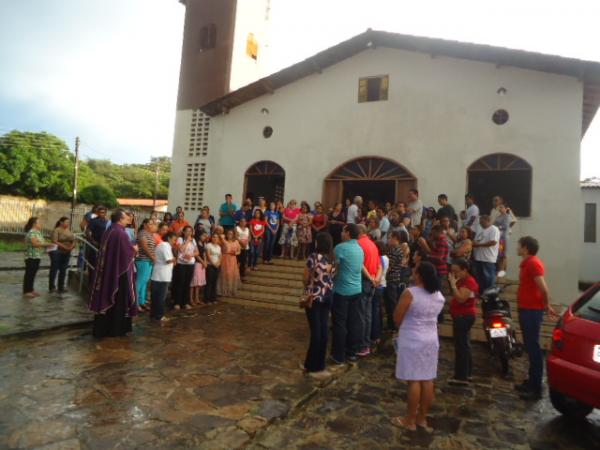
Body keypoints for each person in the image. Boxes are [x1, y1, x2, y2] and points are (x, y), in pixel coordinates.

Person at [391, 262, 445, 431]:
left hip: (413, 337)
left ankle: (409, 420)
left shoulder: (410, 293)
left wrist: (400, 328)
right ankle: (422, 418)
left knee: (414, 380)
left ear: (419, 275)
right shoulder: (439, 295)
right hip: (431, 338)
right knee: (427, 379)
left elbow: (397, 317)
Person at [514, 236, 557, 401]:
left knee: (534, 349)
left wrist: (546, 305)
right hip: (526, 309)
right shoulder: (526, 264)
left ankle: (535, 387)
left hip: (532, 311)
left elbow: (544, 289)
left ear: (525, 248)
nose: (517, 248)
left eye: (519, 245)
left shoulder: (533, 263)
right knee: (530, 347)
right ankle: (531, 382)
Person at [89, 209, 138, 338]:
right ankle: (115, 329)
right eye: (126, 217)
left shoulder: (110, 230)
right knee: (118, 299)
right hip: (119, 273)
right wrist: (134, 249)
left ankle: (104, 329)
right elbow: (126, 253)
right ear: (120, 219)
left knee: (110, 296)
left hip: (110, 270)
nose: (128, 219)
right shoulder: (120, 233)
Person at [302, 232, 335, 379]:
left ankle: (312, 366)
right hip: (327, 297)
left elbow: (305, 278)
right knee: (323, 331)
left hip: (314, 298)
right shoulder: (332, 259)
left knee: (316, 332)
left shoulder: (313, 257)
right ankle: (317, 364)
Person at [330, 224, 364, 365]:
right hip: (357, 289)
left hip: (342, 291)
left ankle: (338, 355)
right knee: (353, 322)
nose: (341, 233)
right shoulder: (360, 249)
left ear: (348, 233)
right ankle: (351, 353)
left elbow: (335, 269)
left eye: (343, 231)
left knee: (339, 324)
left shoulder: (340, 248)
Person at [448, 258, 480, 385]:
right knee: (464, 345)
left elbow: (461, 298)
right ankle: (466, 373)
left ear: (465, 270)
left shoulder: (469, 282)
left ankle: (461, 376)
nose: (454, 274)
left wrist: (452, 285)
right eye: (452, 272)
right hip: (461, 315)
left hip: (464, 316)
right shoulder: (463, 280)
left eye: (456, 271)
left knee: (461, 347)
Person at [356, 224, 381, 356]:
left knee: (361, 315)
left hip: (364, 281)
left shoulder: (359, 244)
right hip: (372, 281)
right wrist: (376, 279)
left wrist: (371, 279)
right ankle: (366, 343)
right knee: (367, 314)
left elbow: (359, 264)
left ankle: (362, 345)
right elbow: (379, 265)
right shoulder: (372, 244)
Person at [23, 217, 53, 298]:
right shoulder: (32, 232)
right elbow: (35, 244)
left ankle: (31, 290)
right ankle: (26, 291)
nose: (41, 224)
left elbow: (41, 242)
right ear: (34, 224)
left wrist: (49, 245)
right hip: (31, 256)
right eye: (39, 223)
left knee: (33, 273)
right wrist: (48, 245)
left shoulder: (38, 232)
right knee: (29, 274)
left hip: (37, 256)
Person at [150, 232, 177, 321]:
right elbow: (168, 260)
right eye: (174, 240)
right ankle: (160, 315)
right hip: (163, 275)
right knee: (161, 296)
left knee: (155, 296)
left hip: (158, 274)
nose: (174, 242)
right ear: (169, 238)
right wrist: (174, 259)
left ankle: (153, 314)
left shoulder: (161, 245)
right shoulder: (165, 246)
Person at [172, 225, 198, 310]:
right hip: (181, 264)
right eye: (187, 231)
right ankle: (177, 302)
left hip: (190, 263)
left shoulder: (193, 240)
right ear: (183, 232)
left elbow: (197, 252)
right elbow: (181, 249)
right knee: (180, 283)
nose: (189, 233)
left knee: (187, 283)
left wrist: (191, 255)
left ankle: (185, 302)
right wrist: (187, 241)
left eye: (190, 231)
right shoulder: (180, 239)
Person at [472, 215, 500, 292]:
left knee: (489, 278)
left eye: (482, 222)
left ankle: (489, 295)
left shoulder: (494, 229)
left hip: (488, 258)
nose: (480, 224)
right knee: (480, 278)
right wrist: (474, 243)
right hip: (478, 257)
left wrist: (478, 245)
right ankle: (482, 294)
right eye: (480, 223)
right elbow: (477, 240)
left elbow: (493, 242)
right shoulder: (481, 229)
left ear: (488, 221)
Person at [135, 219, 157, 312]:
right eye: (150, 224)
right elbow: (145, 247)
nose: (153, 225)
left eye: (153, 224)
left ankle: (142, 301)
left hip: (148, 261)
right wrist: (153, 257)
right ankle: (135, 303)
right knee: (139, 282)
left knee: (144, 282)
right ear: (145, 225)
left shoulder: (149, 235)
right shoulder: (142, 233)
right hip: (143, 260)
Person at [49, 217, 75, 294]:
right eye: (66, 222)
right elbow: (54, 241)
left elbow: (73, 240)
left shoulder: (68, 230)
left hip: (67, 252)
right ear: (61, 222)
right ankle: (52, 286)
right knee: (54, 269)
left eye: (68, 222)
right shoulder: (56, 230)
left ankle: (61, 286)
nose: (68, 223)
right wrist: (64, 247)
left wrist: (72, 246)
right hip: (57, 252)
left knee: (63, 269)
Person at [372, 240, 389, 346]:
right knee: (377, 311)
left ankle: (375, 335)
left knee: (374, 311)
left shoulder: (380, 258)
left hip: (378, 285)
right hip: (382, 284)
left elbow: (380, 271)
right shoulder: (386, 258)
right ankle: (378, 332)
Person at [218, 229, 241, 296]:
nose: (229, 235)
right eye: (228, 234)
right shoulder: (223, 241)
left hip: (233, 259)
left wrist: (235, 253)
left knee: (232, 274)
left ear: (233, 235)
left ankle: (231, 290)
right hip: (225, 258)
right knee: (225, 274)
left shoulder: (236, 241)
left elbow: (239, 251)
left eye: (231, 234)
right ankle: (224, 290)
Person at [493, 203, 513, 273]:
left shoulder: (507, 216)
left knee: (503, 255)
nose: (500, 209)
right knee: (499, 255)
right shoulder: (498, 216)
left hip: (503, 238)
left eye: (501, 207)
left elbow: (505, 226)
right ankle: (499, 271)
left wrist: (496, 227)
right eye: (499, 207)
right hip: (498, 238)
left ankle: (502, 272)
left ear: (505, 208)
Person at [190, 230, 208, 305]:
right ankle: (191, 299)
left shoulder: (203, 243)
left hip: (202, 264)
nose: (204, 237)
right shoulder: (196, 243)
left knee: (198, 283)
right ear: (199, 235)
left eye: (205, 236)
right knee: (194, 282)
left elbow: (204, 253)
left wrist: (205, 261)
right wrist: (202, 261)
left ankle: (197, 298)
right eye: (203, 235)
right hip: (197, 263)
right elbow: (197, 255)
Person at [204, 234, 222, 303]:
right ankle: (207, 299)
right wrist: (213, 264)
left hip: (217, 266)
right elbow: (208, 255)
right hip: (210, 265)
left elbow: (220, 256)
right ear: (211, 238)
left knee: (215, 282)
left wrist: (218, 263)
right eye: (214, 237)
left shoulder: (219, 247)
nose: (215, 238)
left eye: (217, 237)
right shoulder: (208, 245)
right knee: (209, 282)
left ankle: (213, 298)